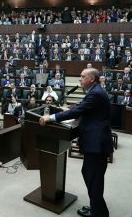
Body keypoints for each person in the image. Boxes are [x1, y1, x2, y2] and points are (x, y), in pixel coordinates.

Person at [40, 68, 113, 217]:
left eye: (82, 76)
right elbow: (83, 108)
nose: (79, 79)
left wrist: (51, 117)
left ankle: (99, 213)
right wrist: (69, 109)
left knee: (94, 179)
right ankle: (96, 208)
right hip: (96, 142)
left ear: (91, 79)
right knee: (90, 175)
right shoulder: (95, 91)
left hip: (97, 144)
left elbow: (77, 111)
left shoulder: (96, 93)